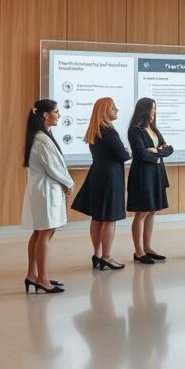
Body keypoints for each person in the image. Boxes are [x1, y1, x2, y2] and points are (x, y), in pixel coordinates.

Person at [21, 99, 74, 294]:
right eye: (56, 112)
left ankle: (33, 275)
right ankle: (41, 278)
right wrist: (68, 183)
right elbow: (53, 167)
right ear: (46, 115)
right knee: (44, 233)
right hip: (46, 191)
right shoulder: (41, 139)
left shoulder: (43, 135)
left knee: (40, 232)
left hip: (44, 189)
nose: (59, 115)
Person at [71, 97, 131, 270]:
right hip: (110, 177)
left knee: (97, 217)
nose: (117, 110)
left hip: (97, 174)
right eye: (113, 108)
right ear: (105, 111)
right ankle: (107, 256)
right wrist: (127, 151)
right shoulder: (109, 131)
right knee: (109, 218)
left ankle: (97, 254)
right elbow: (123, 155)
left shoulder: (95, 130)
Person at [126, 98, 173, 264]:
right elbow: (140, 154)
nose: (155, 111)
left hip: (157, 173)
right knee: (141, 212)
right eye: (152, 108)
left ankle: (148, 248)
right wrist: (159, 152)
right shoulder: (135, 130)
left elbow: (169, 149)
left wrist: (156, 151)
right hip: (142, 175)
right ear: (145, 110)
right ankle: (138, 251)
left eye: (155, 108)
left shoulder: (154, 129)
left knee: (152, 211)